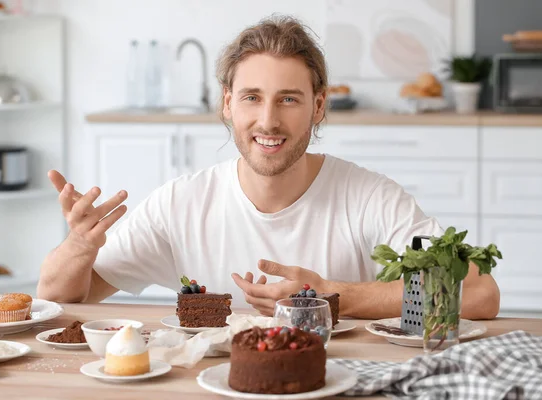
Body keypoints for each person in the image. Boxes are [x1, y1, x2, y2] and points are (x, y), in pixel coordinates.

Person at [37, 15, 500, 320]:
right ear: (227, 105)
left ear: (319, 106)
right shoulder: (181, 203)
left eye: (289, 99)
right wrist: (79, 245)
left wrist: (332, 296)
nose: (268, 121)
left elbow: (480, 293)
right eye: (252, 97)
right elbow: (58, 298)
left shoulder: (368, 197)